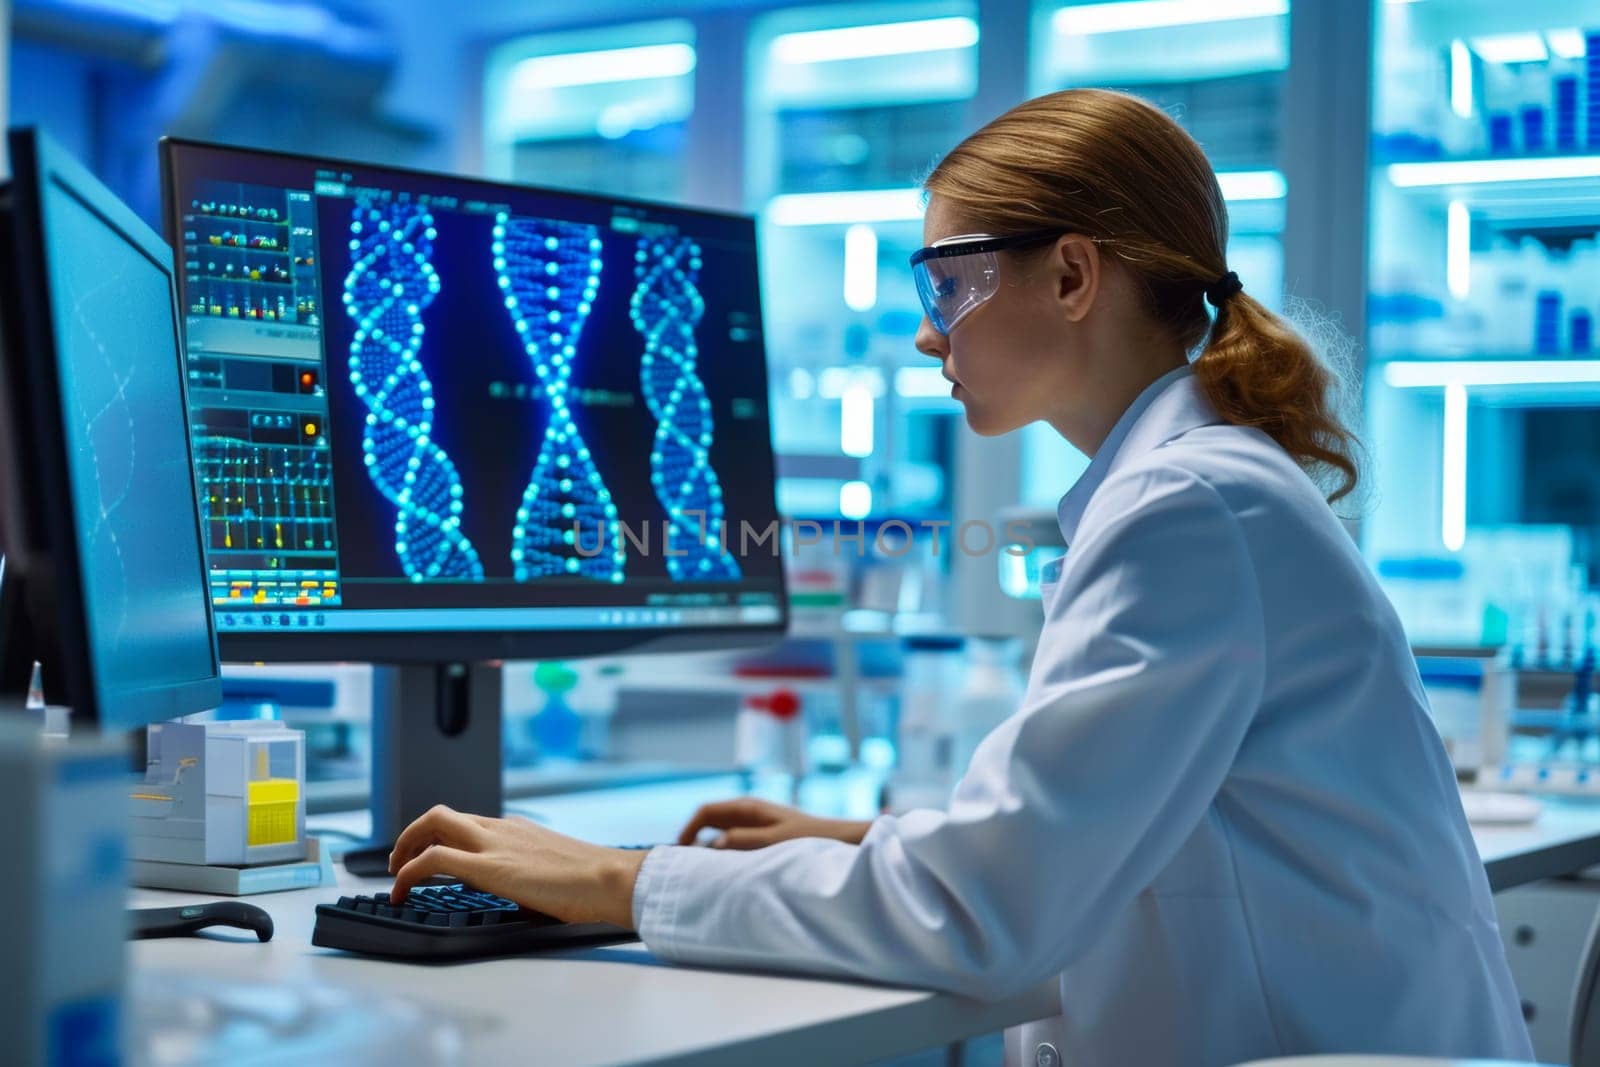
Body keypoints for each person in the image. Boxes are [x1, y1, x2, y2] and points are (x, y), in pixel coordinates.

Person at [387, 89, 1533, 1066]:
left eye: (946, 285)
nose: (931, 336)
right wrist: (868, 838)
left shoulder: (1185, 505)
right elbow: (1104, 824)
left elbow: (985, 914)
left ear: (1073, 274)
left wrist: (623, 878)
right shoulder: (1199, 485)